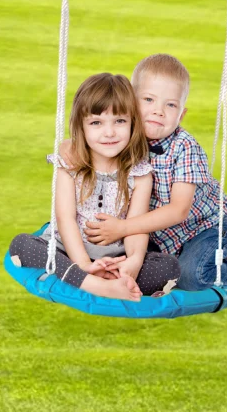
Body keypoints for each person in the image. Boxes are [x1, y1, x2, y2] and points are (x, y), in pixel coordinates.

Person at [81, 54, 227, 291]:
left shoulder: (185, 148)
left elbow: (179, 210)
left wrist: (122, 229)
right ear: (131, 102)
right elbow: (88, 139)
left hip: (203, 227)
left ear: (181, 115)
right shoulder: (123, 136)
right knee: (129, 264)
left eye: (170, 105)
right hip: (158, 234)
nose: (158, 111)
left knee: (192, 276)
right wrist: (68, 146)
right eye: (149, 100)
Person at [9, 73, 180, 302]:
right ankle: (96, 285)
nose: (109, 132)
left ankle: (110, 280)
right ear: (82, 126)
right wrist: (84, 265)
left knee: (168, 268)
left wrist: (134, 261)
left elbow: (135, 227)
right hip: (67, 251)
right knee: (22, 245)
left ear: (132, 123)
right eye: (96, 123)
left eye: (119, 121)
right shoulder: (70, 165)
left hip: (116, 256)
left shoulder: (139, 174)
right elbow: (65, 218)